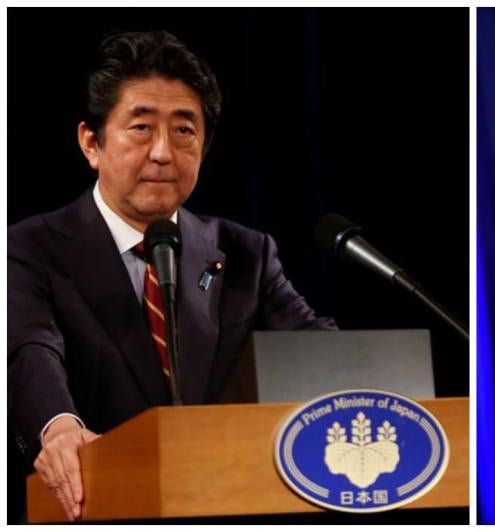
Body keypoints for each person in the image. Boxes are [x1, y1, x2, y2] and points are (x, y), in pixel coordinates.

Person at [8, 30, 336, 521]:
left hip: (224, 507)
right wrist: (58, 427)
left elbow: (313, 350)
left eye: (184, 130)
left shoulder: (244, 253)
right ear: (91, 143)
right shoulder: (30, 247)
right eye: (141, 128)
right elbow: (29, 348)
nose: (163, 152)